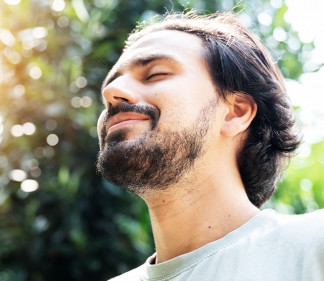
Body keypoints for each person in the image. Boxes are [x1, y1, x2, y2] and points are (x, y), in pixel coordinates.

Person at [96, 11, 324, 281]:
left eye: (155, 74)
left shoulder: (313, 245)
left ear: (235, 113)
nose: (111, 92)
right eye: (112, 83)